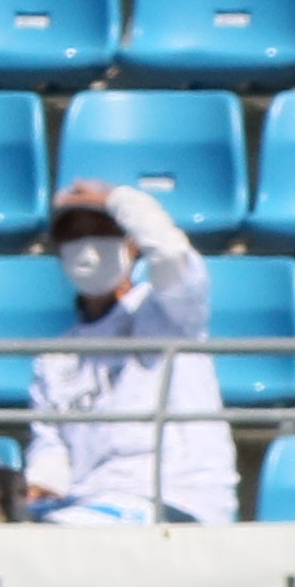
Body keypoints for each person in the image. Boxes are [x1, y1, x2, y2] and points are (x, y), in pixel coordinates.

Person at [22, 180, 236, 526]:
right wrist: (45, 480)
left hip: (175, 496)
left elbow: (170, 254)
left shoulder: (169, 311)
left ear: (132, 244)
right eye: (74, 236)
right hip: (89, 501)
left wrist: (117, 199)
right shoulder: (56, 357)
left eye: (101, 233)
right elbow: (50, 441)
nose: (87, 247)